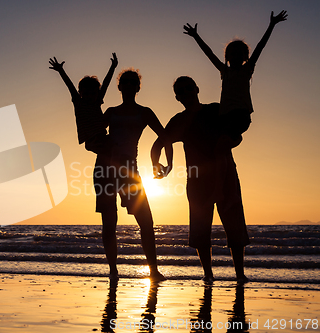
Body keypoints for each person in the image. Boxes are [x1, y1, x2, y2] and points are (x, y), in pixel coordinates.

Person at [151, 76, 250, 283]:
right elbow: (158, 144)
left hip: (226, 174)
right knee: (200, 229)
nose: (186, 93)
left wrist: (231, 142)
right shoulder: (179, 121)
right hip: (197, 179)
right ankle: (208, 275)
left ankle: (240, 275)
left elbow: (237, 134)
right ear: (177, 97)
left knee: (234, 226)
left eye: (189, 88)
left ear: (197, 89)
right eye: (181, 91)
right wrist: (160, 165)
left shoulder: (216, 110)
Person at [96, 68, 170, 281]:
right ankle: (113, 271)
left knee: (146, 221)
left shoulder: (144, 112)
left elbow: (164, 136)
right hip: (105, 168)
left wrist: (161, 163)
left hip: (129, 169)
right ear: (119, 87)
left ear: (138, 87)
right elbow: (93, 134)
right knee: (109, 222)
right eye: (125, 82)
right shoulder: (110, 112)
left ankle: (153, 271)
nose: (128, 85)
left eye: (132, 82)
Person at [183, 10, 287, 145]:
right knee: (218, 143)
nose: (236, 56)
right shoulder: (225, 71)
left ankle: (233, 140)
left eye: (239, 54)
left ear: (245, 57)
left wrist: (272, 24)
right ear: (227, 57)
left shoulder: (246, 70)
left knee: (223, 142)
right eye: (232, 54)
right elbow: (209, 53)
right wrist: (196, 36)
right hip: (225, 116)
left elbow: (260, 46)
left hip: (240, 116)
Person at [49, 53, 118, 154]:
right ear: (80, 93)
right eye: (86, 94)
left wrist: (113, 67)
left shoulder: (97, 100)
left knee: (116, 147)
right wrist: (61, 70)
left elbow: (106, 83)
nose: (90, 96)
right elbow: (70, 85)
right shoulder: (79, 103)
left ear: (97, 93)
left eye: (93, 93)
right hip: (91, 140)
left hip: (102, 136)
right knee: (112, 150)